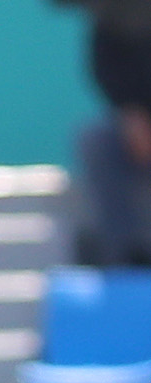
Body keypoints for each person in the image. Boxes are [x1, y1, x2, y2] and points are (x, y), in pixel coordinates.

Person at [76, 6, 151, 266]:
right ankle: (125, 257)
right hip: (134, 127)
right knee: (95, 141)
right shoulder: (117, 22)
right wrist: (130, 112)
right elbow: (105, 68)